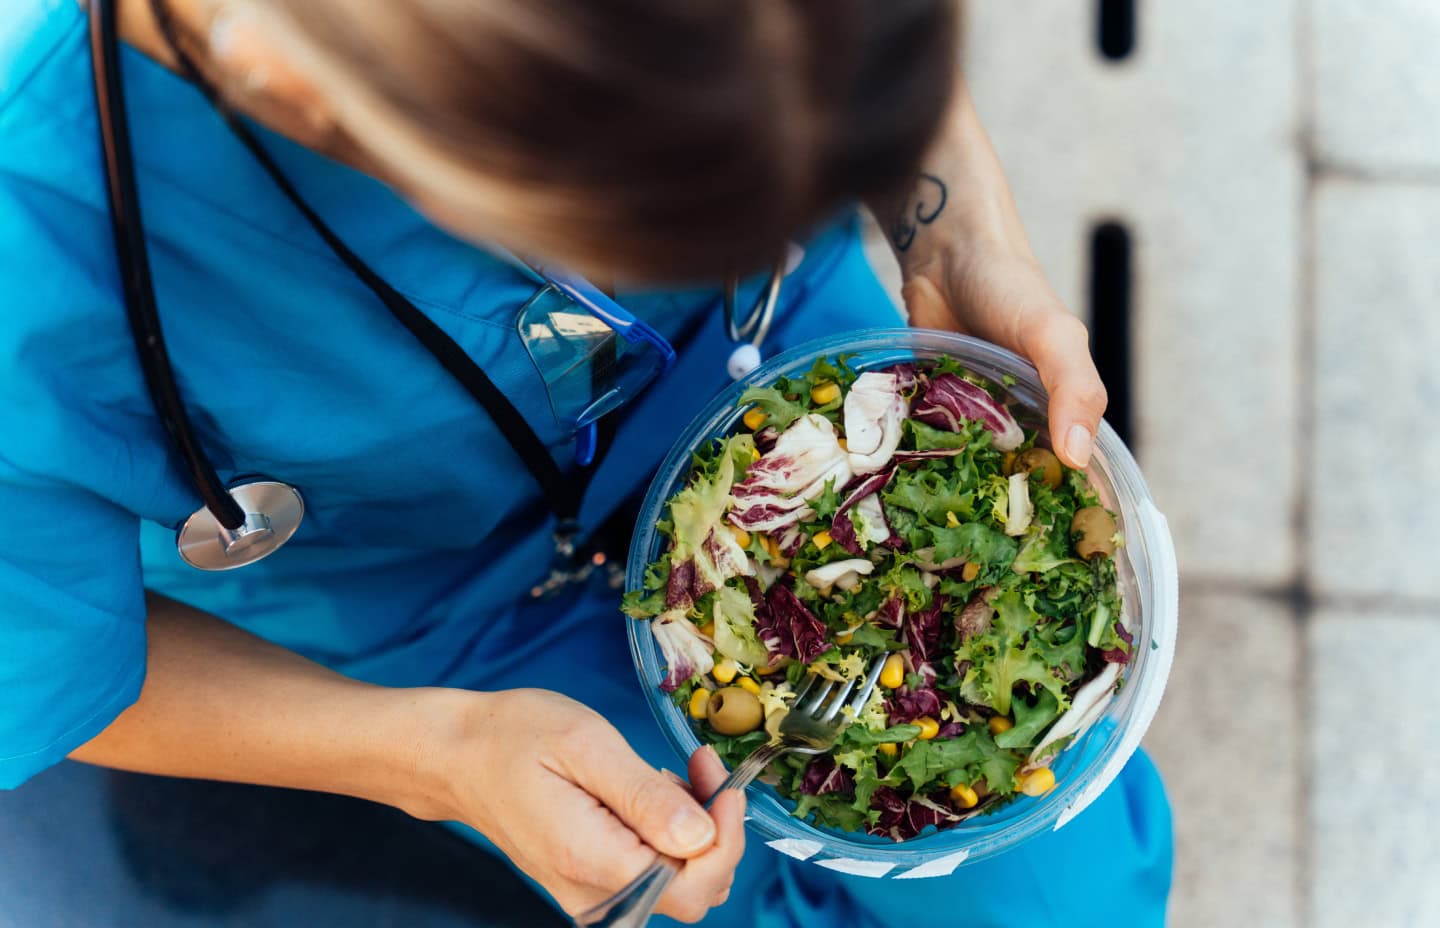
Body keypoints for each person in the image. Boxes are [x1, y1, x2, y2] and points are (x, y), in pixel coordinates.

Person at [0, 0, 1172, 925]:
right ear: (290, 87)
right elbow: (55, 663)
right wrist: (437, 758)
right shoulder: (30, 213)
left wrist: (954, 228)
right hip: (421, 585)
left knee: (1066, 895)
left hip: (758, 363)